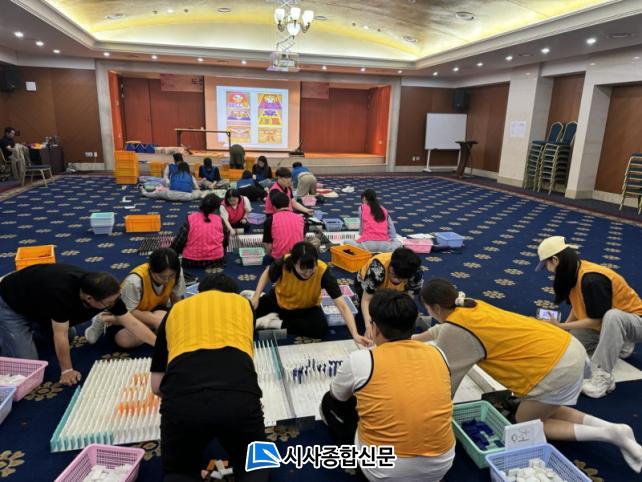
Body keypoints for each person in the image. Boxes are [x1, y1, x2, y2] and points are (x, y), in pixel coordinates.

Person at [415, 278, 642, 473]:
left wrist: (425, 416)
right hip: (568, 348)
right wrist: (416, 339)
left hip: (555, 369)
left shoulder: (456, 331)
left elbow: (446, 384)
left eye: (427, 309)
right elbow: (444, 329)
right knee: (545, 405)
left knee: (525, 422)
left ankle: (610, 435)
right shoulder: (468, 305)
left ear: (435, 308)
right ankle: (614, 428)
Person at [321, 290, 455, 482]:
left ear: (375, 328)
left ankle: (352, 456)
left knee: (330, 401)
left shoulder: (362, 359)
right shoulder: (438, 353)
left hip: (384, 472)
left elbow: (337, 395)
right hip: (441, 466)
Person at [151, 273, 268, 482]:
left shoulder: (175, 311)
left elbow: (156, 386)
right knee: (257, 465)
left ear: (199, 293)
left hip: (183, 401)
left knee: (179, 472)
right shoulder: (244, 305)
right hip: (239, 398)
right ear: (233, 294)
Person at [0, 264, 155, 386]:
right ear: (89, 298)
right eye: (108, 303)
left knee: (71, 335)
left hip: (39, 303)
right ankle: (9, 332)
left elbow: (132, 323)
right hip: (10, 303)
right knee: (26, 367)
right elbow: (59, 335)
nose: (113, 305)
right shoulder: (61, 294)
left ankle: (30, 328)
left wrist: (160, 344)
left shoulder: (105, 292)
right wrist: (67, 370)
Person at [535, 235, 642, 398]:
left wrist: (562, 326)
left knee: (613, 316)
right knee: (568, 346)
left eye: (546, 265)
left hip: (635, 322)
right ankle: (621, 344)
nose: (547, 270)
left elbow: (597, 319)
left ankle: (603, 376)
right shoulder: (573, 273)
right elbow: (577, 307)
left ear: (555, 260)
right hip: (607, 324)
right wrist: (564, 331)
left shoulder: (591, 279)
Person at [251, 241, 368, 344]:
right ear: (294, 263)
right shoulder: (284, 262)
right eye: (303, 270)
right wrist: (256, 296)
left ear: (316, 261)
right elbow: (267, 273)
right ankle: (273, 319)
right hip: (279, 302)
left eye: (311, 269)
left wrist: (355, 334)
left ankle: (275, 323)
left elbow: (342, 305)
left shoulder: (323, 271)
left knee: (320, 328)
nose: (307, 274)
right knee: (249, 311)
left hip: (306, 308)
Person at [85, 249, 185, 349]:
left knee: (170, 322)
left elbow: (176, 301)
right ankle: (104, 319)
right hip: (127, 314)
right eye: (162, 277)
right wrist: (154, 321)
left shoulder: (177, 272)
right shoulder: (134, 281)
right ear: (151, 270)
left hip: (155, 309)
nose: (167, 280)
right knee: (125, 340)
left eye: (171, 276)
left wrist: (177, 318)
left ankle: (149, 329)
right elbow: (127, 313)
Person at [355, 248, 423, 338]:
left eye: (401, 279)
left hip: (397, 290)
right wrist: (368, 326)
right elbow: (366, 300)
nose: (396, 281)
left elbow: (409, 297)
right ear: (390, 266)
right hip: (368, 286)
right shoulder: (377, 268)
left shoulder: (416, 273)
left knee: (396, 315)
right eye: (393, 275)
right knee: (370, 315)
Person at [171, 194, 227, 268]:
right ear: (216, 208)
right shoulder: (219, 220)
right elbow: (225, 241)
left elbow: (180, 240)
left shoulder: (191, 218)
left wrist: (172, 253)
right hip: (215, 260)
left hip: (190, 261)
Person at [345, 189, 402, 253]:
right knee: (398, 243)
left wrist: (360, 238)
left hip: (368, 245)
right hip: (384, 245)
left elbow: (362, 225)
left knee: (346, 242)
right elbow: (391, 227)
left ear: (364, 198)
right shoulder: (383, 209)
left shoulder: (362, 208)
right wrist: (393, 240)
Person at [263, 191, 305, 260]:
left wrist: (269, 254)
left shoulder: (270, 220)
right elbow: (302, 238)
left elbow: (268, 246)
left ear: (274, 207)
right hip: (297, 258)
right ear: (288, 204)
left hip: (279, 259)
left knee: (266, 257)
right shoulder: (300, 218)